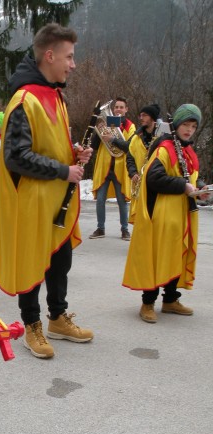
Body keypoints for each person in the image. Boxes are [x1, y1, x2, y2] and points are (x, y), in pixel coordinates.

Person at [0, 23, 94, 359]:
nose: (73, 64)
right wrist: (64, 170)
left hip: (54, 201)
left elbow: (46, 146)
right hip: (33, 203)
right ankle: (31, 324)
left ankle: (57, 318)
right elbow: (16, 157)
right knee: (32, 264)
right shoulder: (24, 99)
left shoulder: (54, 94)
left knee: (60, 262)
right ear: (49, 56)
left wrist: (74, 153)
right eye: (69, 57)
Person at [122, 104, 208, 323]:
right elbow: (154, 179)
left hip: (182, 215)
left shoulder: (188, 151)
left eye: (193, 126)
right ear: (177, 125)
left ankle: (170, 299)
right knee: (158, 256)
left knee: (176, 256)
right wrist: (183, 186)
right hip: (163, 215)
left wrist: (200, 188)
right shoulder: (165, 148)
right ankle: (148, 302)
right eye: (186, 125)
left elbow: (191, 178)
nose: (189, 129)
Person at [89, 97, 136, 240]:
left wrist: (113, 139)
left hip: (120, 168)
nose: (118, 110)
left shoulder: (130, 126)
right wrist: (98, 132)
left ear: (126, 110)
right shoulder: (105, 123)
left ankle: (124, 230)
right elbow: (95, 146)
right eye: (116, 107)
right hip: (105, 167)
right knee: (100, 199)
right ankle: (100, 228)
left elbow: (130, 147)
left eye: (121, 107)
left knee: (122, 201)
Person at [126, 103, 161, 224]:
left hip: (156, 182)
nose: (141, 118)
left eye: (145, 115)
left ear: (153, 118)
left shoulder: (162, 137)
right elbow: (130, 157)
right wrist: (133, 172)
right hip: (139, 183)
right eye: (140, 115)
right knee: (140, 220)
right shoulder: (136, 138)